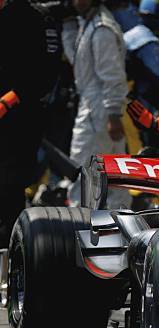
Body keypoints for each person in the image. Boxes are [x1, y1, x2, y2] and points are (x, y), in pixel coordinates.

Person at [0, 0, 62, 247]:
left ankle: (12, 251)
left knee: (10, 184)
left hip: (22, 116)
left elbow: (47, 70)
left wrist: (13, 98)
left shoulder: (39, 17)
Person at [62, 0, 130, 208]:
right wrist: (67, 26)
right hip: (97, 104)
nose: (75, 2)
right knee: (113, 172)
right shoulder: (89, 23)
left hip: (99, 108)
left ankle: (80, 226)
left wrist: (113, 114)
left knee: (83, 170)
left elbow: (112, 74)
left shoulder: (101, 29)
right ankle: (118, 224)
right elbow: (78, 61)